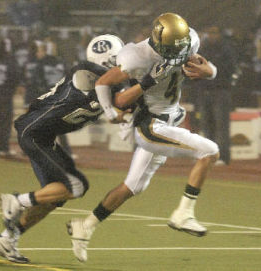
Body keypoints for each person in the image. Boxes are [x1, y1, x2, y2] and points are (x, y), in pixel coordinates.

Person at [67, 12, 219, 262]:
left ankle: (86, 226)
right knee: (210, 151)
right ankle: (184, 213)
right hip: (151, 125)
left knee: (133, 186)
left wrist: (209, 71)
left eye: (179, 46)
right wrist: (109, 112)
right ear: (158, 40)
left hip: (169, 118)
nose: (176, 51)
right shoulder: (137, 56)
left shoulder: (188, 40)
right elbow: (104, 83)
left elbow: (204, 67)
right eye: (171, 47)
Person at [0, 34, 126, 263]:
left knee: (53, 196)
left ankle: (6, 239)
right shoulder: (84, 72)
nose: (123, 64)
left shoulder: (108, 86)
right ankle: (16, 200)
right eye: (117, 59)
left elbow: (120, 103)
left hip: (43, 136)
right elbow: (105, 78)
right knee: (76, 186)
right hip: (34, 133)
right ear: (107, 60)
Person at [197, 26, 237, 165]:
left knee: (221, 126)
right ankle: (210, 155)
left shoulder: (226, 49)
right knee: (207, 125)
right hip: (205, 90)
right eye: (210, 32)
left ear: (220, 34)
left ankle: (223, 157)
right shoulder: (203, 49)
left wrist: (211, 70)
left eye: (214, 32)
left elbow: (230, 68)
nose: (211, 35)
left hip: (221, 91)